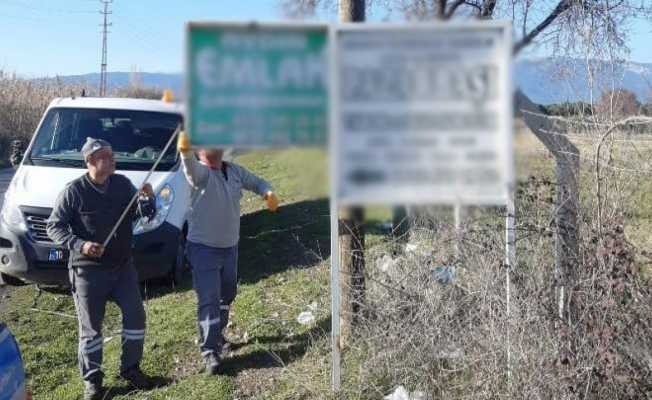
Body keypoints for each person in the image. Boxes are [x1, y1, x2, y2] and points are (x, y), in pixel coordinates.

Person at [46, 138, 157, 400]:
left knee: (136, 316)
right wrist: (81, 245)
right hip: (87, 271)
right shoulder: (74, 191)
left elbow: (140, 214)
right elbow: (54, 226)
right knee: (92, 330)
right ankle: (93, 382)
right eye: (106, 156)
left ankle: (131, 370)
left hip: (122, 267)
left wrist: (147, 200)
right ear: (90, 162)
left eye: (112, 154)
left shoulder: (122, 184)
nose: (112, 160)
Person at [177, 131, 279, 375]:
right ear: (201, 150)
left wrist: (268, 192)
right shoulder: (200, 173)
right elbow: (189, 167)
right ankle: (209, 351)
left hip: (230, 247)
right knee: (209, 299)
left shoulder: (233, 171)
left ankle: (218, 335)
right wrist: (184, 151)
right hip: (203, 249)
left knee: (227, 294)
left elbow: (257, 181)